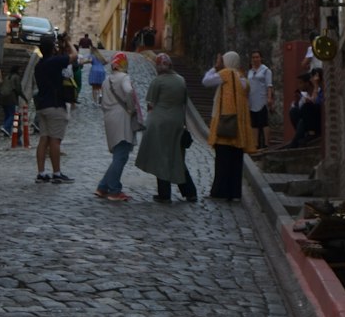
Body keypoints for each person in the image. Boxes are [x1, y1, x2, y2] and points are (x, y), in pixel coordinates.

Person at [135, 53, 197, 203]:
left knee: (160, 157)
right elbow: (183, 102)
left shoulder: (158, 81)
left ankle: (164, 193)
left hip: (159, 123)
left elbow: (150, 104)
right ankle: (190, 192)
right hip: (176, 121)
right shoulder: (181, 80)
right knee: (177, 157)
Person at [202, 50, 255, 202]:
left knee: (222, 161)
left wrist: (215, 67)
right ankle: (234, 192)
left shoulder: (225, 74)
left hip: (226, 124)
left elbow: (206, 81)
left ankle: (219, 191)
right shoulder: (243, 79)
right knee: (236, 162)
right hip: (240, 126)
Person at [94, 52, 139, 202]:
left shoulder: (107, 80)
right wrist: (131, 108)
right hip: (122, 118)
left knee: (118, 156)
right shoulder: (124, 77)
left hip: (109, 118)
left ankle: (103, 187)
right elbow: (128, 90)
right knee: (121, 156)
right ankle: (114, 190)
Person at [33, 33, 77, 183]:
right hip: (55, 105)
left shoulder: (39, 65)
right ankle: (57, 173)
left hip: (42, 105)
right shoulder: (55, 62)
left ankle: (41, 173)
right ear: (52, 48)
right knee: (55, 141)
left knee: (43, 139)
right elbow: (74, 56)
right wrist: (69, 42)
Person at [247, 50, 274, 150]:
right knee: (254, 123)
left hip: (262, 98)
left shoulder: (266, 70)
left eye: (257, 57)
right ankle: (255, 144)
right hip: (252, 100)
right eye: (253, 57)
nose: (255, 59)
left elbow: (269, 85)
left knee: (264, 122)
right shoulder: (250, 71)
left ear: (261, 58)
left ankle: (266, 143)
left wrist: (269, 97)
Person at [289, 70, 324, 146]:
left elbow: (318, 103)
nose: (299, 85)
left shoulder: (320, 91)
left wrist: (316, 86)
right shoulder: (304, 95)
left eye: (301, 83)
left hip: (318, 122)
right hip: (306, 123)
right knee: (294, 111)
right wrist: (297, 102)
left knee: (307, 107)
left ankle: (309, 135)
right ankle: (302, 135)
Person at [0, 65, 26, 137]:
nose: (21, 71)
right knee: (13, 115)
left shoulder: (7, 77)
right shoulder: (16, 77)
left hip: (3, 98)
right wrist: (24, 98)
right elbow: (18, 89)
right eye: (20, 70)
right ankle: (5, 127)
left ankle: (7, 131)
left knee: (7, 115)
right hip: (11, 98)